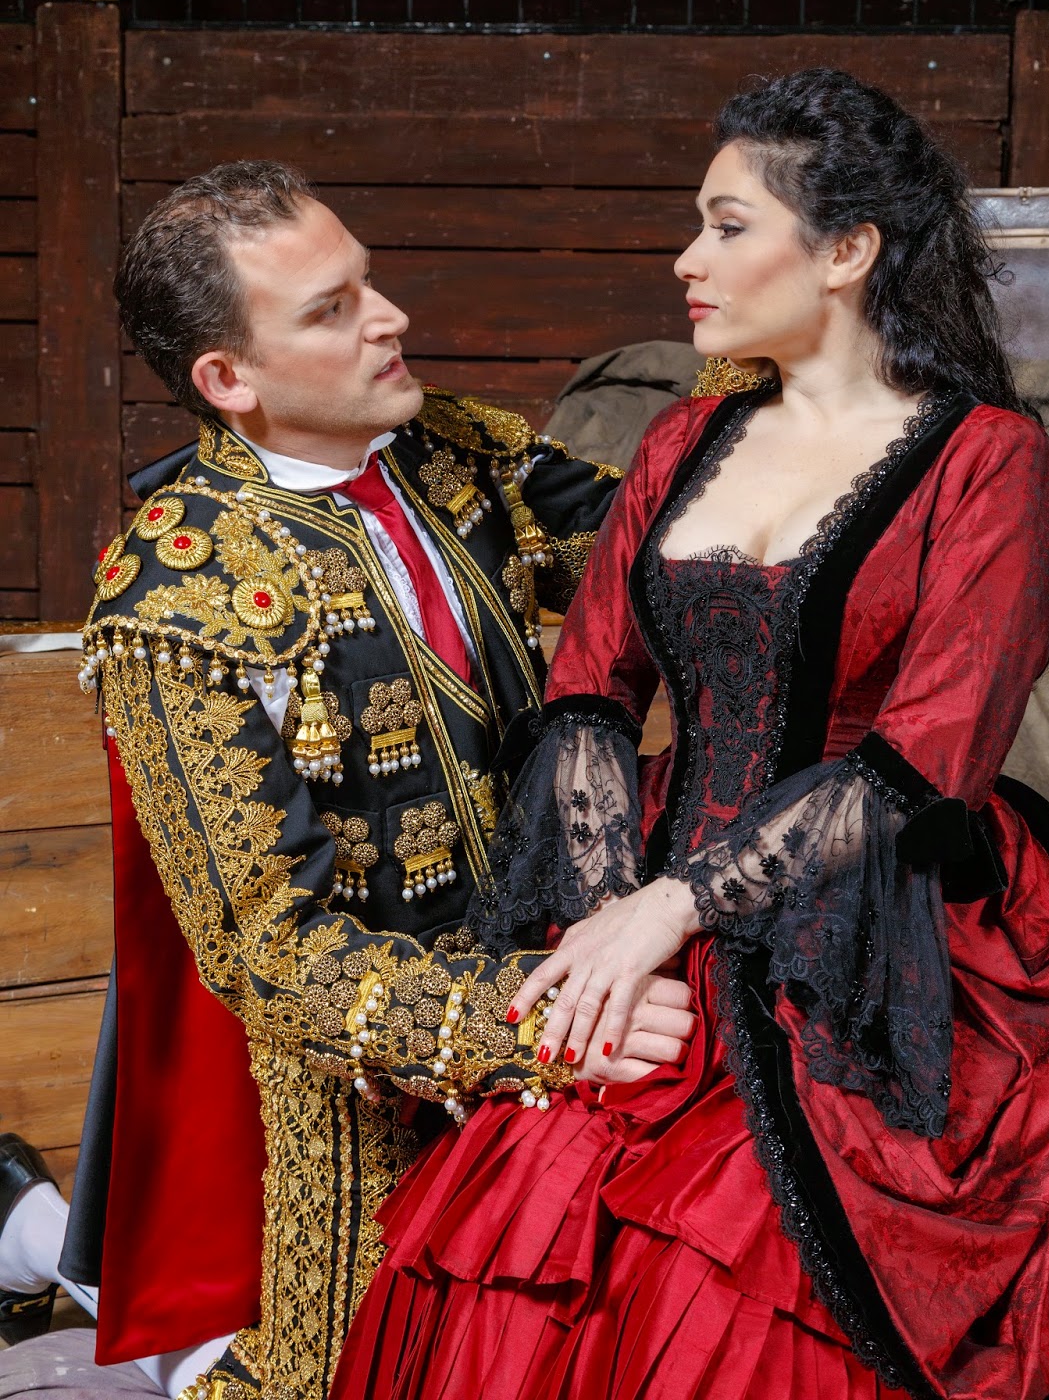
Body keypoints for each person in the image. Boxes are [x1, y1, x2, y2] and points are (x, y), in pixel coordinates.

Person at [331, 68, 1049, 1400]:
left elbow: (925, 761)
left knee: (729, 1275)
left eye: (728, 226)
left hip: (875, 921)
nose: (687, 258)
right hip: (646, 886)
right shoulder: (681, 442)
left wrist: (672, 907)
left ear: (845, 251)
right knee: (533, 1200)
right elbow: (589, 695)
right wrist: (605, 926)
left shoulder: (988, 459)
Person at [0, 162, 698, 1400]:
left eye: (366, 283)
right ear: (230, 380)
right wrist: (531, 1024)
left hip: (565, 952)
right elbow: (271, 955)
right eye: (332, 309)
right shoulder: (175, 597)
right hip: (360, 1073)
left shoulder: (452, 448)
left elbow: (670, 550)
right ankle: (22, 1226)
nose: (390, 317)